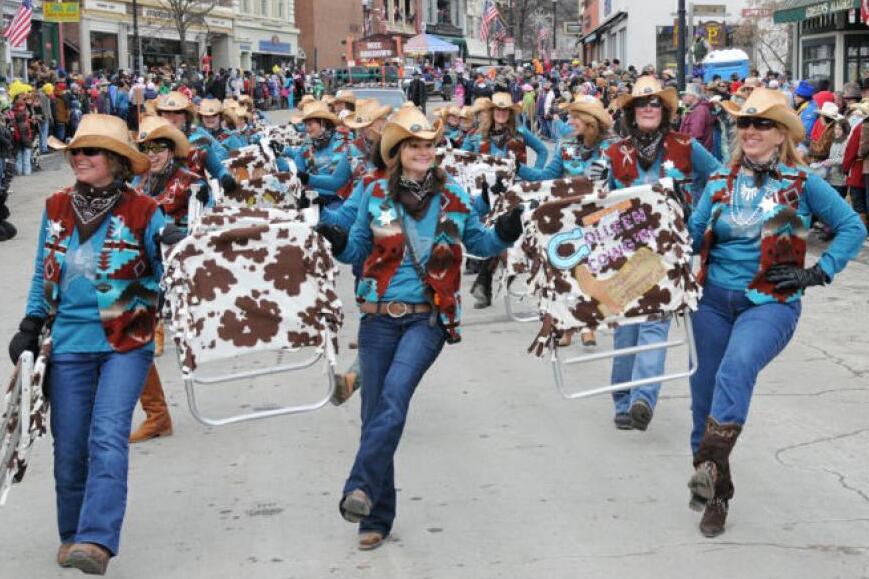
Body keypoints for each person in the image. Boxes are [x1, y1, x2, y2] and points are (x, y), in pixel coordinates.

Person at [315, 106, 523, 551]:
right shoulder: (373, 193)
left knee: (393, 397)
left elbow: (481, 243)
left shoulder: (454, 197)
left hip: (428, 318)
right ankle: (375, 516)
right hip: (376, 316)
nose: (423, 151)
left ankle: (359, 489)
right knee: (374, 414)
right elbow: (354, 251)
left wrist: (505, 232)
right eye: (414, 144)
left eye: (429, 144)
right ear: (397, 152)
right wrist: (334, 238)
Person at [686, 88, 866, 538]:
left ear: (780, 132)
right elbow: (690, 236)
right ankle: (716, 489)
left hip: (769, 303)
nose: (751, 131)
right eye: (745, 123)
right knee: (703, 397)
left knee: (737, 367)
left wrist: (819, 272)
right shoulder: (719, 183)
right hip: (711, 301)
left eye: (762, 123)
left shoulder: (804, 183)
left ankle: (708, 462)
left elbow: (851, 226)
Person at [8, 114, 180, 574]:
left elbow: (171, 273)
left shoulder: (144, 209)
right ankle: (72, 532)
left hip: (128, 337)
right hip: (67, 340)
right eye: (76, 152)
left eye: (91, 151)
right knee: (69, 443)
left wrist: (177, 249)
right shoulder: (55, 205)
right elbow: (42, 272)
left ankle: (97, 538)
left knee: (107, 435)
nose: (79, 158)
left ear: (117, 161)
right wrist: (30, 322)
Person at [603, 75, 721, 431]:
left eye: (655, 103)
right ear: (632, 111)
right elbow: (602, 203)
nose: (649, 108)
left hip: (671, 250)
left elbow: (718, 178)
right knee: (626, 330)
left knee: (655, 326)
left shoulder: (685, 145)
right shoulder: (615, 151)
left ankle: (643, 398)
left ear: (666, 110)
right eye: (642, 103)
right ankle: (623, 398)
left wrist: (696, 214)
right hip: (628, 251)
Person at [463, 92, 549, 309]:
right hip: (488, 195)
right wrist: (474, 181)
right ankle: (486, 283)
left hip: (516, 192)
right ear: (492, 112)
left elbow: (542, 150)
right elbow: (465, 160)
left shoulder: (520, 133)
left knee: (512, 238)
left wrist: (532, 173)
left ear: (509, 113)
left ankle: (486, 283)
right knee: (492, 236)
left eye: (505, 110)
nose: (501, 113)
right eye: (498, 109)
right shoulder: (477, 136)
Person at [152, 91, 237, 193]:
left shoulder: (199, 141)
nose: (171, 116)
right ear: (160, 115)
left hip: (198, 200)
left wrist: (225, 178)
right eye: (166, 112)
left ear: (186, 116)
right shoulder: (150, 144)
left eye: (178, 112)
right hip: (162, 203)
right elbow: (140, 180)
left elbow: (218, 169)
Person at [284, 102, 352, 208]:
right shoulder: (307, 144)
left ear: (323, 123)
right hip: (312, 196)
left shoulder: (344, 139)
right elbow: (297, 172)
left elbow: (337, 181)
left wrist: (308, 178)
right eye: (305, 124)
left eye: (310, 124)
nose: (306, 128)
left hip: (339, 198)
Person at [680, 83, 715, 153]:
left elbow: (695, 137)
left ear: (693, 96)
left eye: (686, 94)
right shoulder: (697, 108)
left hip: (695, 154)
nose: (684, 97)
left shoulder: (699, 110)